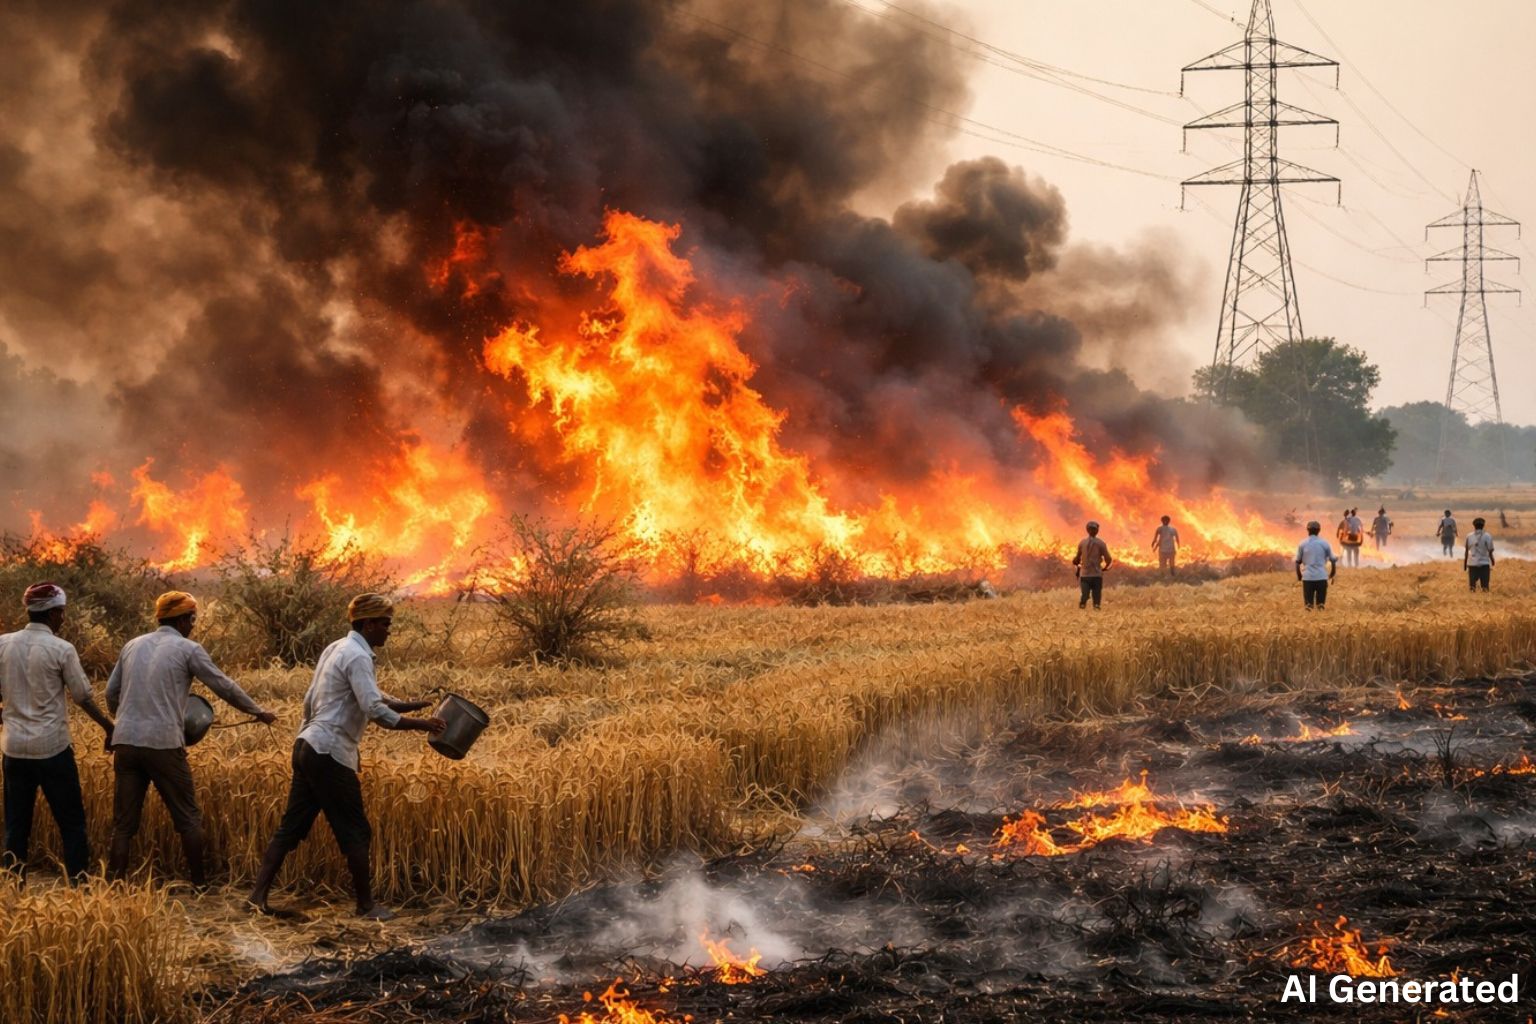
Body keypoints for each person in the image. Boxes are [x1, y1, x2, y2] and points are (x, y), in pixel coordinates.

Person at [247, 594, 445, 920]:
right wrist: (422, 724)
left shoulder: (337, 648)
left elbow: (322, 698)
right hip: (329, 753)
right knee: (355, 831)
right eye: (385, 624)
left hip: (307, 746)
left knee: (290, 828)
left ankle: (257, 897)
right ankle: (366, 906)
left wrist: (409, 705)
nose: (388, 630)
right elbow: (374, 710)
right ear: (367, 624)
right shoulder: (358, 657)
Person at [106, 591, 277, 886]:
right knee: (187, 817)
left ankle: (114, 884)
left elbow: (111, 693)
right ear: (184, 619)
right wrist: (257, 711)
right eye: (193, 619)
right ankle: (199, 884)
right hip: (164, 744)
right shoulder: (188, 649)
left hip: (126, 742)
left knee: (123, 824)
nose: (194, 625)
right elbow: (223, 686)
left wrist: (122, 723)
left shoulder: (132, 645)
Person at [0, 584, 115, 883]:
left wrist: (9, 716)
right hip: (52, 750)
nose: (63, 619)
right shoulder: (62, 649)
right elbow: (83, 697)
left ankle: (14, 888)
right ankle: (78, 884)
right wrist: (108, 726)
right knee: (72, 823)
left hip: (13, 750)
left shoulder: (2, 644)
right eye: (61, 613)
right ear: (52, 614)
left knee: (15, 825)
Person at [1296, 521, 1338, 610]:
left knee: (1308, 607)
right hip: (1321, 577)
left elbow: (1297, 562)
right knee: (1321, 606)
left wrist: (1299, 576)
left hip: (1307, 578)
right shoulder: (1325, 543)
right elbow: (1333, 560)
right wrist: (1332, 573)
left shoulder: (1302, 544)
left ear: (1308, 530)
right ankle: (1320, 621)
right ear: (1319, 530)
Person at [1072, 522, 1113, 610]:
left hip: (1087, 574)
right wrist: (1106, 567)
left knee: (1087, 595)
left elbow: (1077, 558)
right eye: (1093, 529)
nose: (1093, 530)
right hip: (1094, 574)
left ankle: (1084, 606)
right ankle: (1089, 607)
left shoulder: (1083, 543)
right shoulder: (1101, 543)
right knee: (1095, 595)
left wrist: (1076, 562)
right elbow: (1108, 559)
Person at [1464, 517, 1495, 592]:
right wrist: (1492, 560)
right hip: (1484, 564)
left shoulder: (1469, 536)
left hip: (1472, 564)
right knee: (1485, 587)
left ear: (1474, 526)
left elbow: (1466, 551)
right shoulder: (1487, 536)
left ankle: (1472, 602)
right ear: (1483, 525)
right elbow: (1490, 551)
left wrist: (1465, 564)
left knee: (1472, 588)